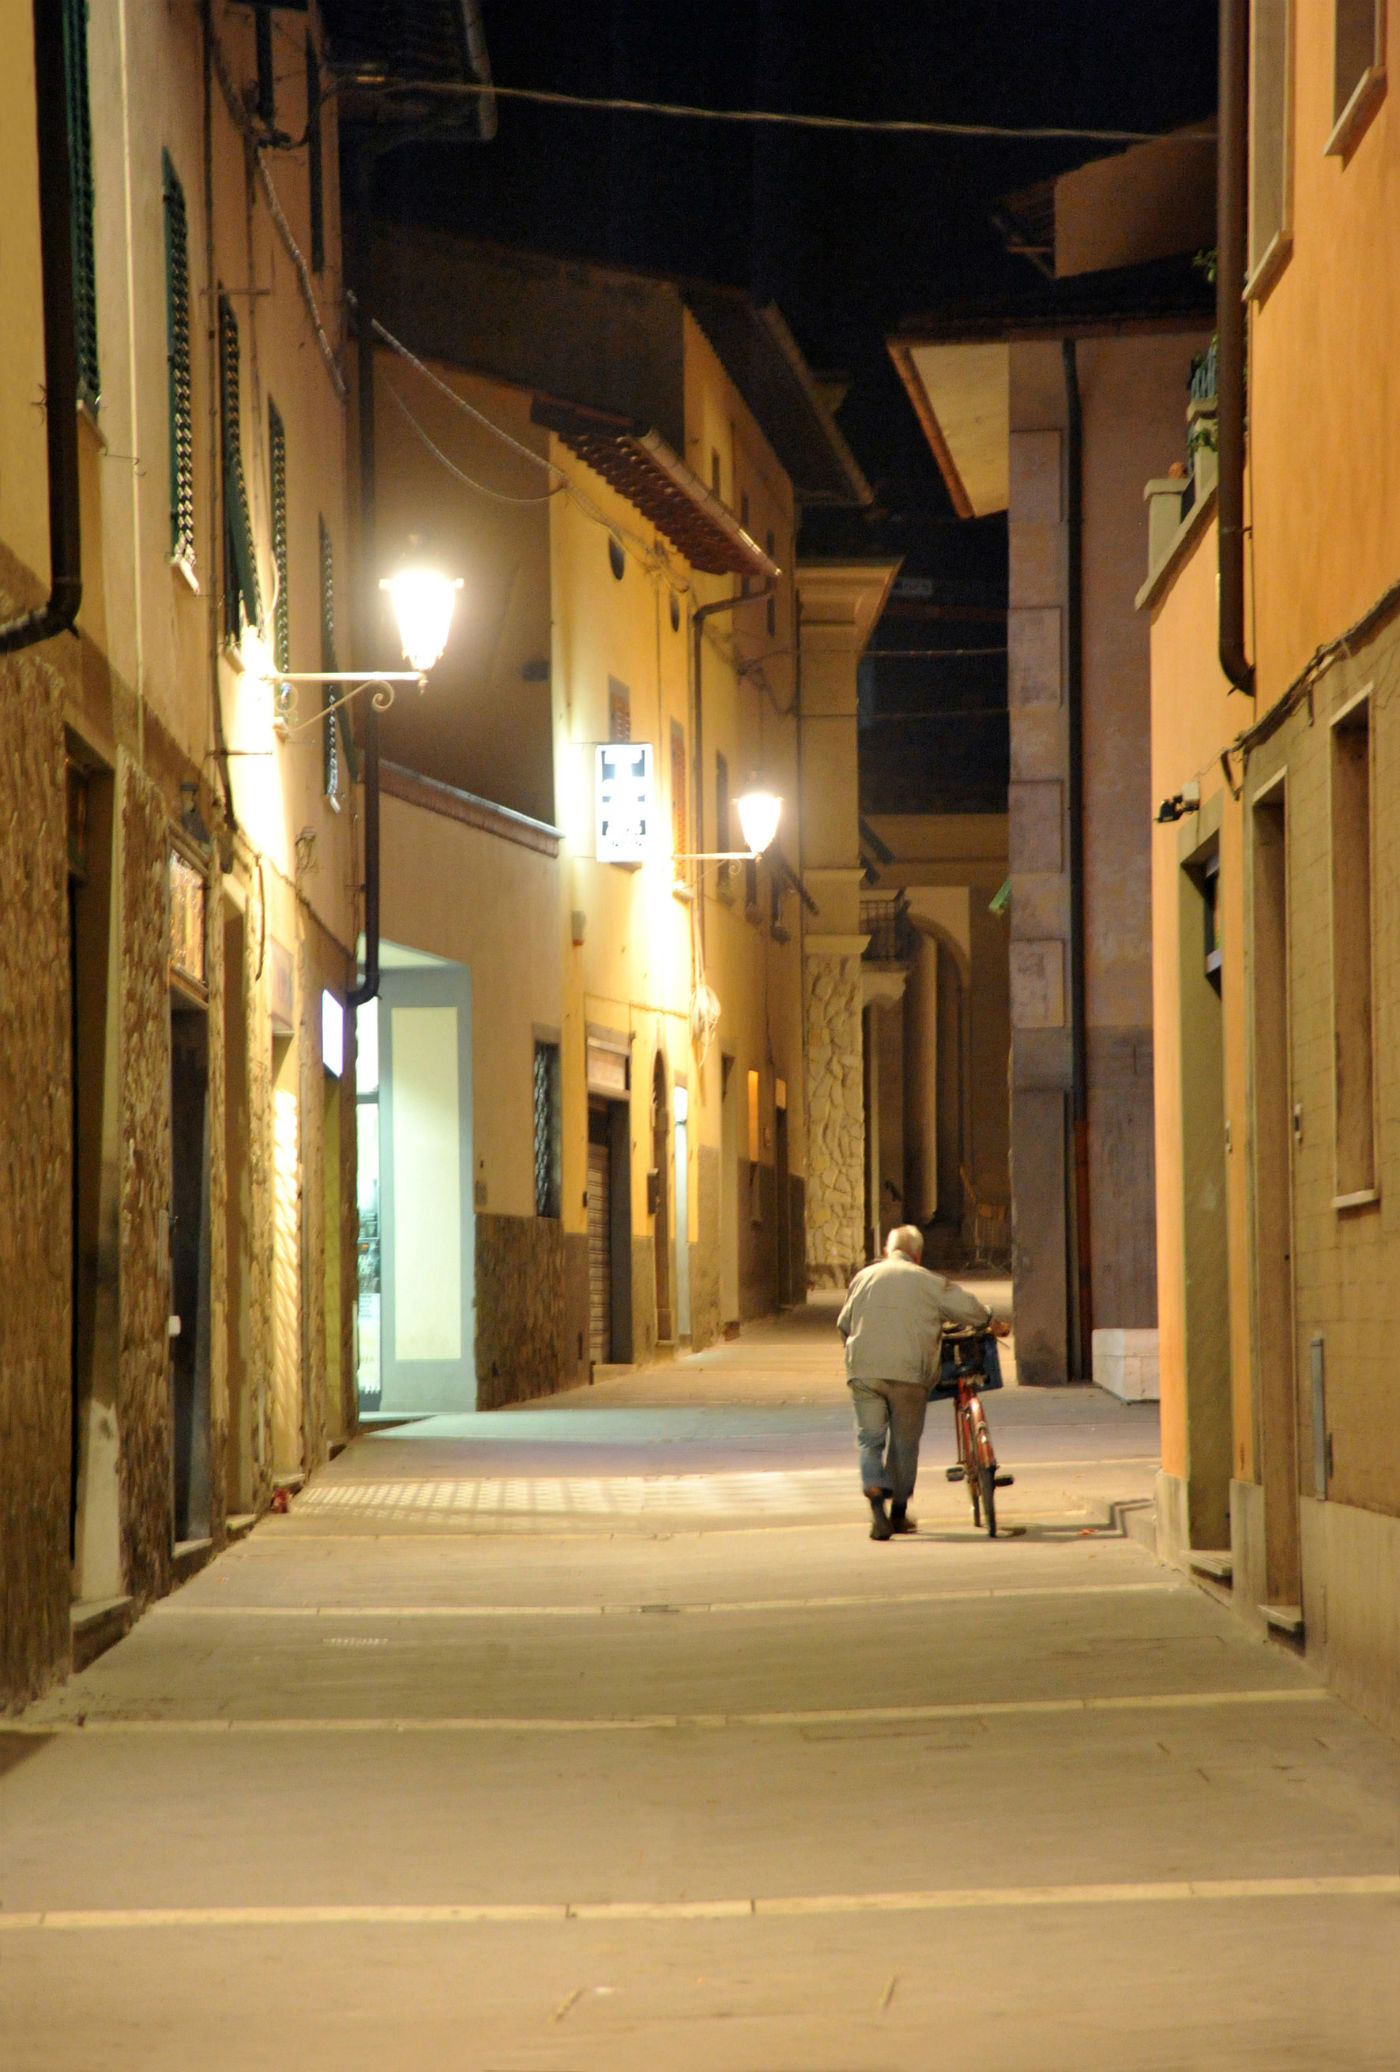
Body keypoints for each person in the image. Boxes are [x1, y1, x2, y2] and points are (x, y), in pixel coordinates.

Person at [837, 1225, 1009, 1540]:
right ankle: (899, 1513)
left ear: (888, 1252)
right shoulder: (928, 1280)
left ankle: (877, 1505)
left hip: (864, 1372)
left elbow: (844, 1324)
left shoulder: (862, 1278)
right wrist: (990, 1321)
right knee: (904, 1442)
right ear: (917, 1254)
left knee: (869, 1440)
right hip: (909, 1374)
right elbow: (968, 1309)